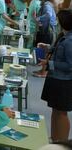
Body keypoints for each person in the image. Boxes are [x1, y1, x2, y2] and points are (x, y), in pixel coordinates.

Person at [41, 10, 72, 142]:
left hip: (63, 81)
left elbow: (70, 65)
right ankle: (55, 139)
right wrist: (46, 47)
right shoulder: (62, 36)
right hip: (55, 78)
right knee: (55, 110)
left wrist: (50, 63)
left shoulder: (70, 41)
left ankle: (62, 143)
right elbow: (57, 51)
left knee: (62, 113)